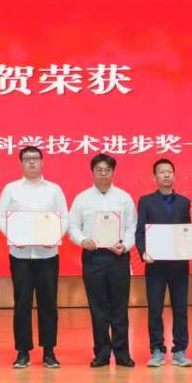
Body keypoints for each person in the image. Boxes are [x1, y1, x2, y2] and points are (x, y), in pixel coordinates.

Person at [0, 145, 69, 369]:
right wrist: (13, 235)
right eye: (27, 159)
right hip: (20, 255)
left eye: (35, 158)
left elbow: (64, 218)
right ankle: (22, 352)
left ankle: (49, 351)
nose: (32, 162)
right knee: (22, 303)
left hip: (47, 254)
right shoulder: (11, 189)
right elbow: (0, 216)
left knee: (48, 303)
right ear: (21, 163)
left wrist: (55, 236)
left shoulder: (54, 190)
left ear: (42, 162)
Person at [68, 153, 137, 368]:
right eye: (99, 170)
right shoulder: (82, 198)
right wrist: (82, 240)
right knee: (98, 308)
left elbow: (132, 227)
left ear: (113, 172)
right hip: (93, 256)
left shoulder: (124, 198)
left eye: (107, 169)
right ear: (93, 172)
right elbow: (72, 226)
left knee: (119, 307)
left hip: (118, 256)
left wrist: (125, 245)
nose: (103, 173)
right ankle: (102, 353)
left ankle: (122, 353)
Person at [135, 159, 192, 368]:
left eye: (169, 172)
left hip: (178, 264)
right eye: (162, 172)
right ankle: (157, 349)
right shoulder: (146, 201)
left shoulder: (184, 202)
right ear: (155, 177)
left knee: (181, 308)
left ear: (174, 175)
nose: (166, 175)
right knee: (155, 309)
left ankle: (180, 350)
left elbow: (186, 231)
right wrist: (144, 253)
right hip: (155, 264)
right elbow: (140, 232)